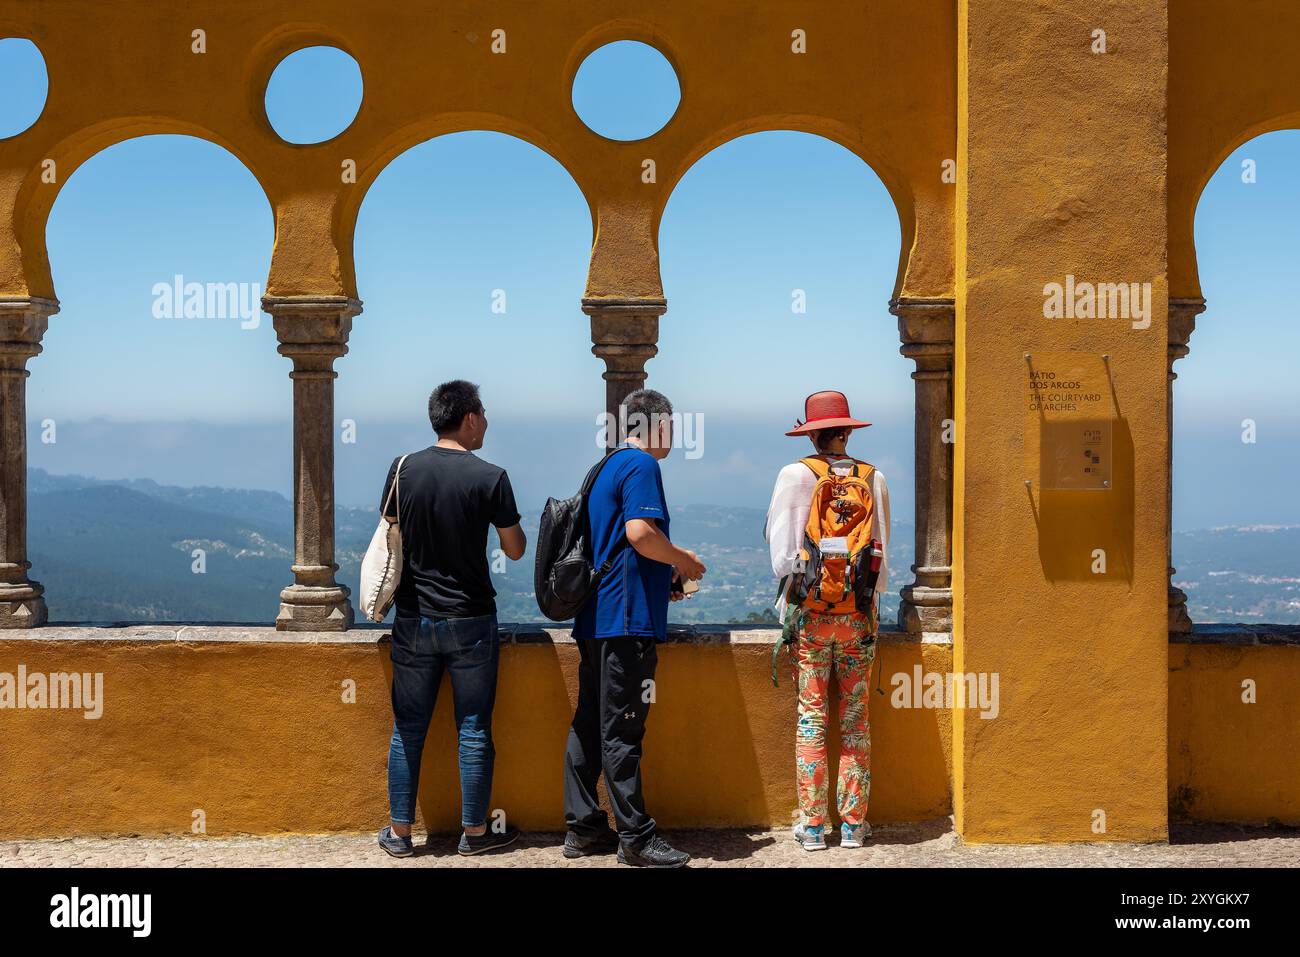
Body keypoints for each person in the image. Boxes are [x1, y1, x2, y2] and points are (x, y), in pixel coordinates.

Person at [376, 380, 527, 858]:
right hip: (470, 619)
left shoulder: (403, 469)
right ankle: (475, 835)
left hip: (413, 618)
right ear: (468, 418)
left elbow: (389, 532)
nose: (486, 423)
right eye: (483, 414)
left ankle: (400, 834)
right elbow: (515, 548)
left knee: (408, 729)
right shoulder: (491, 477)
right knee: (475, 727)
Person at [562, 388, 705, 868]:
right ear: (655, 425)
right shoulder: (643, 466)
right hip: (625, 622)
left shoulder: (603, 467)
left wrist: (663, 577)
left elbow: (615, 547)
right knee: (623, 727)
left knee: (589, 723)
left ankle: (583, 828)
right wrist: (683, 560)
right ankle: (637, 840)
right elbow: (640, 534)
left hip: (595, 619)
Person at [764, 390, 890, 852]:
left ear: (811, 432)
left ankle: (814, 828)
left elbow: (781, 557)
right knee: (856, 721)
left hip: (810, 618)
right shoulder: (873, 478)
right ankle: (855, 825)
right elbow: (882, 554)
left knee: (812, 719)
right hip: (859, 618)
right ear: (848, 430)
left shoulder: (795, 474)